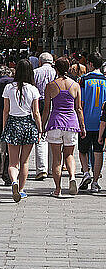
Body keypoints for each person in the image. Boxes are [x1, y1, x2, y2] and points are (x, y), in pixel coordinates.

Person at [42, 57, 85, 197]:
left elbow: (47, 109)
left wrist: (42, 126)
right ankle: (72, 177)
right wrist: (82, 126)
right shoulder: (75, 85)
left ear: (56, 69)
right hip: (71, 124)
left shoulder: (51, 85)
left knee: (56, 159)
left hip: (55, 123)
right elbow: (78, 109)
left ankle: (57, 189)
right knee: (70, 155)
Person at [1, 59, 42, 202]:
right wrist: (40, 129)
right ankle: (22, 190)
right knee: (24, 161)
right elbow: (36, 113)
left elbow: (5, 110)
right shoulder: (33, 90)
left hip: (13, 124)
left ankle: (14, 182)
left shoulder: (8, 88)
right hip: (28, 125)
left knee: (13, 162)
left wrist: (4, 127)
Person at [78, 53, 106, 193]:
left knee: (82, 151)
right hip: (101, 122)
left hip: (86, 120)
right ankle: (95, 182)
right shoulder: (105, 80)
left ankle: (86, 172)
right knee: (98, 152)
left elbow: (80, 102)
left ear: (90, 64)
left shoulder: (84, 79)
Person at [32, 52, 56, 180]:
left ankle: (41, 169)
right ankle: (53, 168)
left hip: (39, 103)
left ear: (40, 62)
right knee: (52, 135)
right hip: (53, 103)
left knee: (40, 134)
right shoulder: (55, 73)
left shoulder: (35, 72)